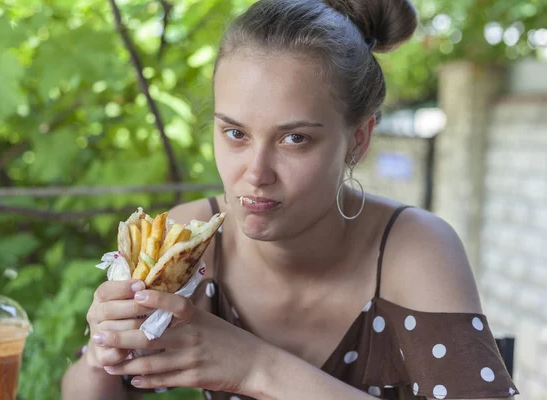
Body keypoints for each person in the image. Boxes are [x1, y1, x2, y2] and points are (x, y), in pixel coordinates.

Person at [62, 0, 518, 398]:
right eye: (235, 133)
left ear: (358, 139)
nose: (255, 174)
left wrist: (254, 366)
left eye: (294, 139)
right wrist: (104, 350)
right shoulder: (187, 243)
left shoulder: (412, 249)